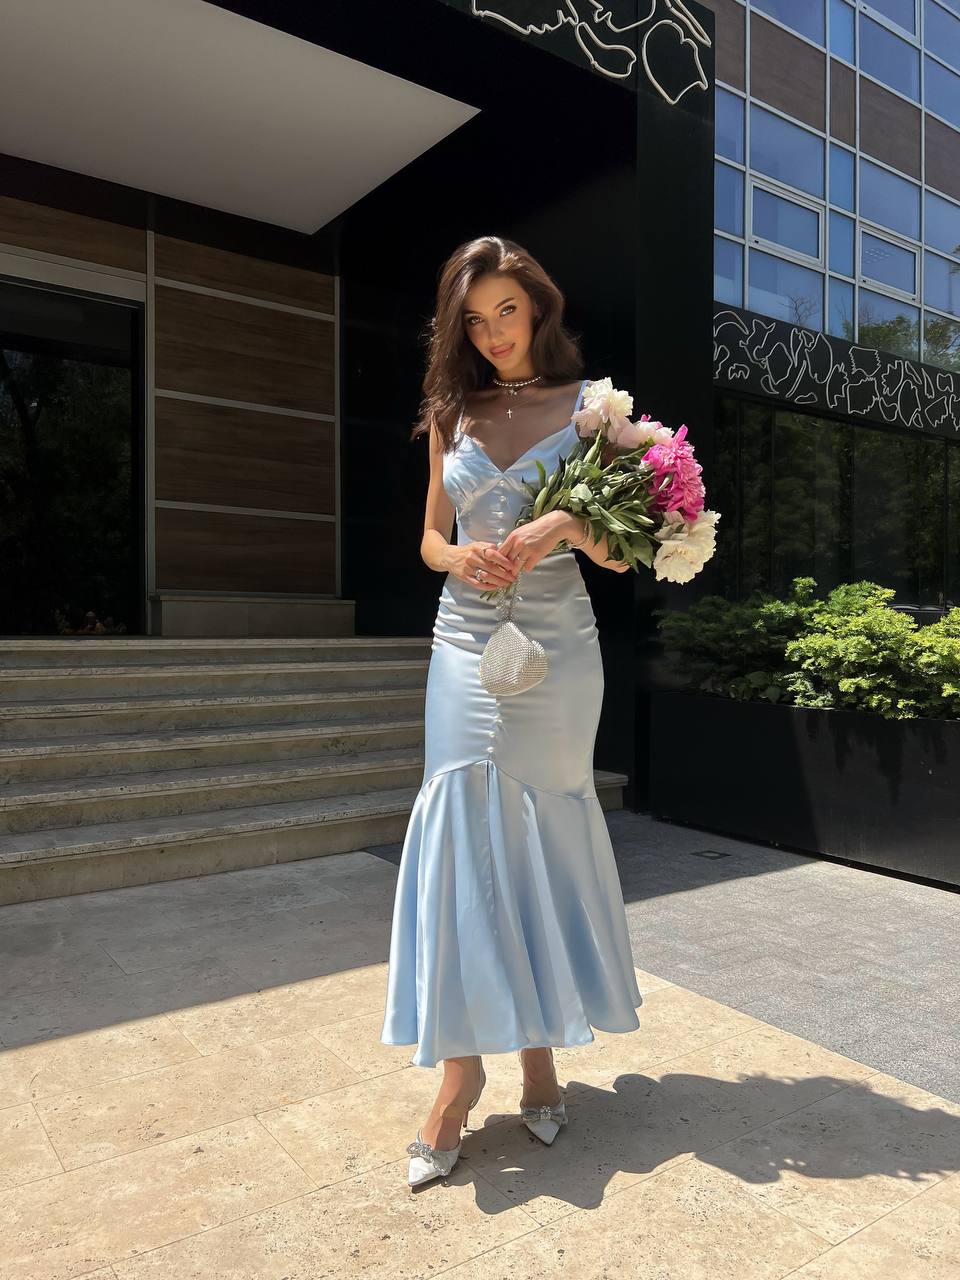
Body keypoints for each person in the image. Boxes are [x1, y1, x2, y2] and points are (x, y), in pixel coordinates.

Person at [379, 235, 643, 1188]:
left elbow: (622, 553)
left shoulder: (590, 412)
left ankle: (537, 1050)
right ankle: (458, 1077)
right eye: (475, 319)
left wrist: (560, 525)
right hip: (462, 638)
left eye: (508, 312)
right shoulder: (450, 408)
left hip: (559, 646)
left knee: (540, 835)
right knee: (459, 831)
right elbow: (429, 537)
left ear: (538, 311)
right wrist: (459, 559)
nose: (493, 334)